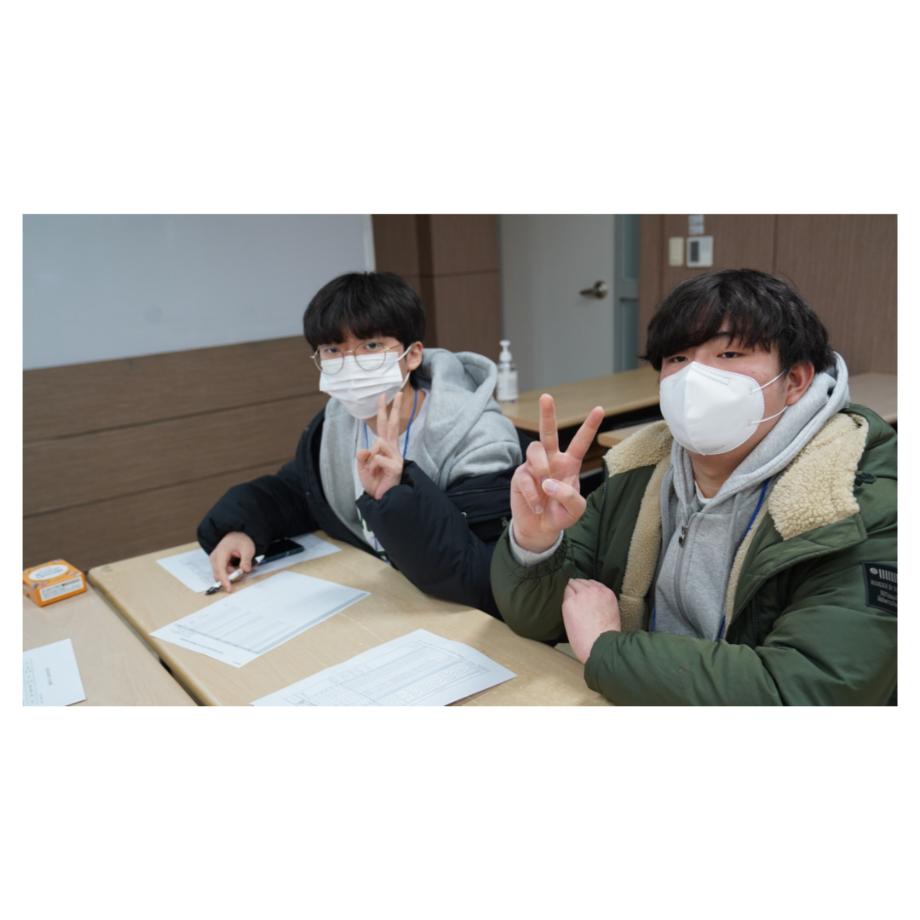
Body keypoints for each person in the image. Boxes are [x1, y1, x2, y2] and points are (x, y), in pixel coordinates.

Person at [491, 268, 897, 704]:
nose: (695, 378)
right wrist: (535, 545)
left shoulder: (854, 502)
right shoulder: (638, 468)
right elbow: (540, 618)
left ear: (795, 381)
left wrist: (608, 649)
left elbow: (807, 692)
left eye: (729, 354)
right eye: (678, 359)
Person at [198, 271, 522, 616]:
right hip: (382, 597)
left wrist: (395, 496)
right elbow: (299, 491)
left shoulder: (478, 439)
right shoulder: (337, 421)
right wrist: (242, 530)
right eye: (333, 350)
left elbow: (480, 574)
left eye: (370, 347)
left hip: (449, 614)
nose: (351, 364)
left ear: (413, 355)